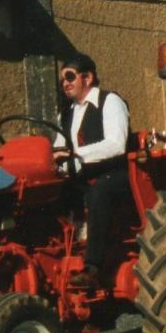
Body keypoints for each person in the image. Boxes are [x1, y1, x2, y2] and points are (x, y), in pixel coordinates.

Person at [53, 53, 132, 289]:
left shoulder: (110, 102)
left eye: (70, 76)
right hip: (82, 176)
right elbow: (59, 146)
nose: (65, 83)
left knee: (99, 192)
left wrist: (77, 156)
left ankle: (93, 267)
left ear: (88, 78)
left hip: (116, 174)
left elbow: (116, 143)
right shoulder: (66, 113)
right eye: (63, 79)